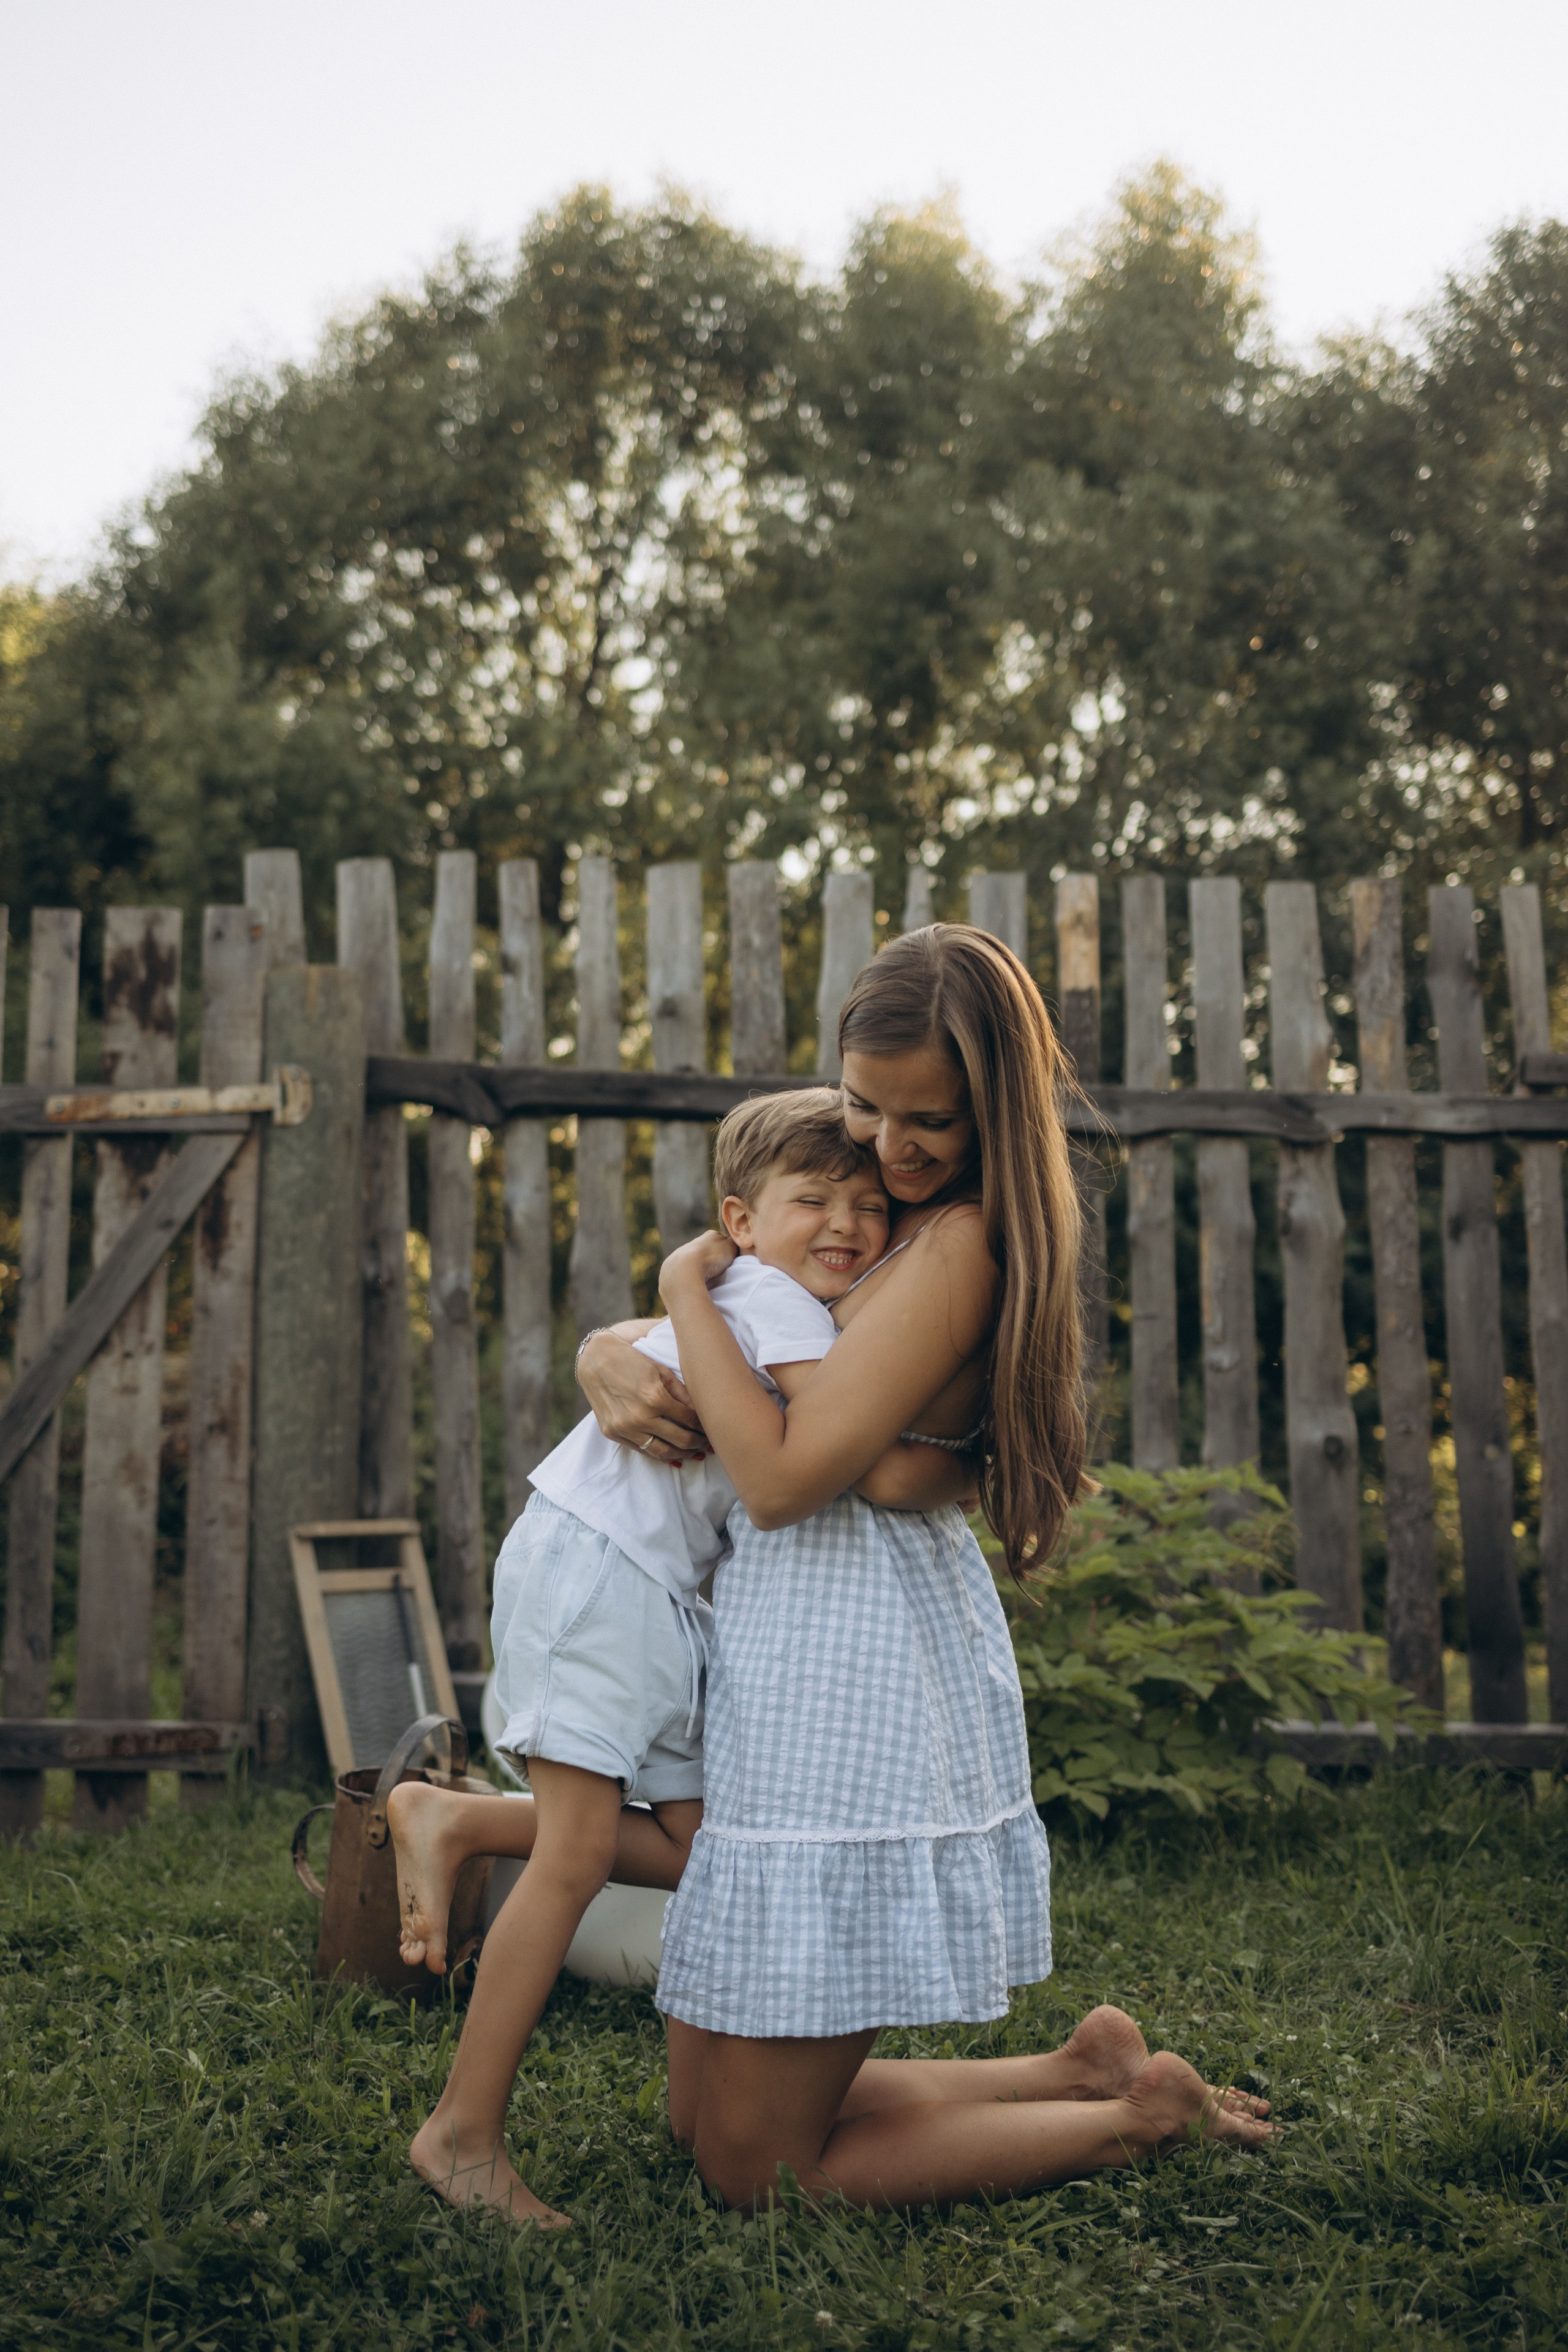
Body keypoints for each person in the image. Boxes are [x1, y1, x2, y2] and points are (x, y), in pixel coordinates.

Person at [578, 922, 1272, 2212]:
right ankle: (1075, 2067)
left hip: (850, 1673)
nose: (884, 1149)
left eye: (927, 1122)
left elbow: (786, 1481)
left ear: (994, 1112)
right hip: (791, 1649)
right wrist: (602, 1350)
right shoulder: (890, 1223)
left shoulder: (955, 1244)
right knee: (695, 2119)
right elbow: (833, 1409)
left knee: (754, 2171)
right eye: (861, 1106)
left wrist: (679, 1281)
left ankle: (1132, 2119)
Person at [388, 1088, 948, 2225]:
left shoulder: (757, 1291)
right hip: (602, 1574)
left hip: (646, 1588)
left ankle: (460, 1818)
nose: (844, 1222)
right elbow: (831, 1449)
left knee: (704, 1849)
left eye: (864, 1204)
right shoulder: (778, 1303)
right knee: (582, 1852)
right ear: (740, 1221)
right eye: (812, 1201)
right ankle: (462, 2132)